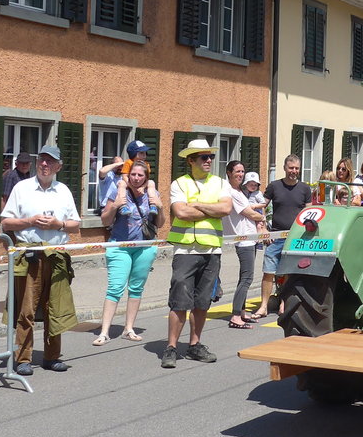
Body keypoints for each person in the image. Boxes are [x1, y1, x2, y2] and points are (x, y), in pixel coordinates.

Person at [1, 145, 81, 375]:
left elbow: (75, 224)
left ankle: (52, 357)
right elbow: (6, 222)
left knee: (55, 307)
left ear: (58, 166)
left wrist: (59, 225)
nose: (44, 164)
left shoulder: (64, 190)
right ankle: (23, 358)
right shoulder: (22, 188)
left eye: (50, 161)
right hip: (30, 254)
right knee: (26, 309)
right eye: (42, 160)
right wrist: (30, 221)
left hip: (56, 255)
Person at [162, 139, 231, 368]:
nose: (209, 160)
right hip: (185, 249)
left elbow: (226, 209)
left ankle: (194, 344)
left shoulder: (220, 183)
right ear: (191, 160)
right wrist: (210, 208)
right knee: (179, 301)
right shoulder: (179, 183)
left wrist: (198, 205)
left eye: (210, 156)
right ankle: (171, 347)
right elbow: (181, 212)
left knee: (202, 302)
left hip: (211, 249)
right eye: (203, 157)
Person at [93, 160, 160, 344]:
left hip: (144, 246)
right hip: (119, 246)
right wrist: (115, 206)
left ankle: (129, 328)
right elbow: (105, 221)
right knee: (115, 288)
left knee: (136, 288)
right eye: (133, 174)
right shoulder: (117, 190)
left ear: (146, 178)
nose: (136, 178)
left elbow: (159, 223)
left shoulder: (152, 194)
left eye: (140, 175)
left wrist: (159, 206)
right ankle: (104, 332)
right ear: (128, 175)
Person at [261, 155, 313, 311]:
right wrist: (263, 228)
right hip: (275, 236)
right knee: (268, 271)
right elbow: (262, 206)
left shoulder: (305, 188)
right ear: (285, 168)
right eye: (291, 168)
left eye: (297, 168)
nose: (294, 171)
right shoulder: (274, 186)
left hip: (295, 237)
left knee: (288, 272)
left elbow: (309, 212)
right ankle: (263, 306)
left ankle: (284, 303)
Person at [223, 161, 266, 329]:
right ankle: (235, 315)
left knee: (245, 276)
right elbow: (246, 211)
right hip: (244, 239)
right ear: (229, 173)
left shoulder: (239, 190)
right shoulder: (231, 191)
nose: (240, 174)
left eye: (242, 171)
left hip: (250, 237)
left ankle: (241, 311)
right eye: (237, 172)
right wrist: (261, 218)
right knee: (247, 277)